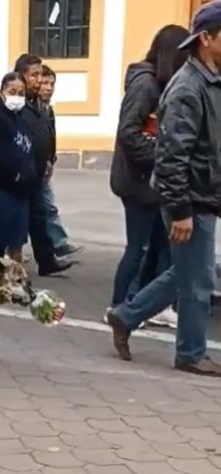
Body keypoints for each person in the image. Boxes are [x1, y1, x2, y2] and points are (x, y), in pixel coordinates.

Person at [107, 0, 221, 378]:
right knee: (198, 278)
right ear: (207, 38)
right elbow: (172, 155)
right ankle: (190, 352)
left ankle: (125, 316)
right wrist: (181, 210)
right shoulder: (188, 88)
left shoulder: (210, 80)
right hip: (190, 196)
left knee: (186, 272)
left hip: (203, 192)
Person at [109, 25, 189, 329]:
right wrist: (162, 154)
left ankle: (150, 304)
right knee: (138, 247)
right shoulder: (144, 85)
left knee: (159, 245)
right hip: (137, 182)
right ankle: (118, 305)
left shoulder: (163, 85)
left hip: (153, 182)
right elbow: (128, 132)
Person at [14, 53, 78, 277]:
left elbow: (46, 132)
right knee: (17, 220)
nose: (40, 80)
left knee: (39, 217)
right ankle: (7, 261)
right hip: (21, 173)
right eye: (35, 75)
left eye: (41, 74)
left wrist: (49, 159)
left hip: (38, 171)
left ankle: (46, 260)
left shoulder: (39, 103)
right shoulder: (15, 102)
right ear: (22, 76)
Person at [0, 72, 37, 257]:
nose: (17, 97)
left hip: (20, 189)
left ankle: (13, 281)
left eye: (21, 93)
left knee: (16, 241)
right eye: (12, 91)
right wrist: (14, 175)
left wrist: (28, 174)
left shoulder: (23, 117)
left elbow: (28, 148)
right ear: (2, 92)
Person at [39, 64, 83, 266]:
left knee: (47, 207)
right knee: (44, 208)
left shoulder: (48, 110)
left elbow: (50, 136)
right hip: (35, 167)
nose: (48, 87)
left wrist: (52, 159)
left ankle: (57, 244)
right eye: (45, 83)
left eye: (52, 84)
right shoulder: (35, 109)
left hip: (46, 165)